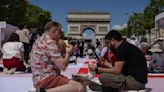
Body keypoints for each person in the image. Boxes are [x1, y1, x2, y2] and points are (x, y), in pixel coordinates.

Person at [30, 21, 83, 92]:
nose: (60, 35)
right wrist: (68, 53)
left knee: (71, 84)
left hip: (38, 79)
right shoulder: (50, 42)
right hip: (47, 79)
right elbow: (63, 66)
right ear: (54, 31)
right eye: (60, 32)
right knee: (79, 87)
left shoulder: (39, 40)